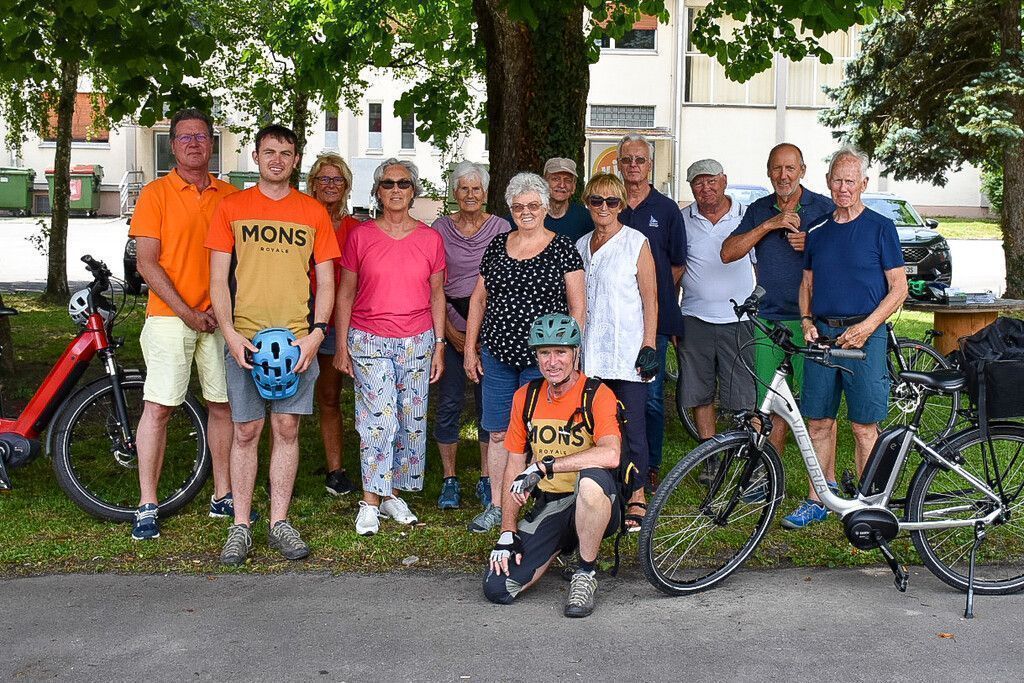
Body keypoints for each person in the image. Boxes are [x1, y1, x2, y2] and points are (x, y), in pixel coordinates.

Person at [207, 124, 340, 564]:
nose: (277, 160)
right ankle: (240, 525)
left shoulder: (313, 212)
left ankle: (279, 521)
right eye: (269, 152)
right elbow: (218, 280)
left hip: (296, 342)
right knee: (246, 430)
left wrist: (316, 333)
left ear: (296, 159)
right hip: (246, 339)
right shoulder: (231, 208)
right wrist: (229, 333)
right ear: (256, 156)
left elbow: (325, 281)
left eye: (285, 153)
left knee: (287, 429)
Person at [128, 108, 238, 541]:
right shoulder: (155, 193)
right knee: (159, 407)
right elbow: (147, 263)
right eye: (185, 137)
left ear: (212, 144)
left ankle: (223, 494)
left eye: (202, 136)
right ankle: (147, 503)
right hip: (170, 317)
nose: (194, 143)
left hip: (220, 319)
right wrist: (189, 312)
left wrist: (221, 312)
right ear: (172, 145)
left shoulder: (230, 196)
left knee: (222, 405)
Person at [788, 146, 908, 529]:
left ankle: (867, 504)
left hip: (865, 336)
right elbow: (806, 283)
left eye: (850, 181)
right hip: (822, 335)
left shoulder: (880, 227)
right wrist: (806, 320)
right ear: (828, 182)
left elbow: (898, 288)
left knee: (863, 427)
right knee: (818, 422)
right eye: (837, 180)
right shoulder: (819, 230)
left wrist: (868, 327)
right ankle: (818, 498)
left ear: (864, 184)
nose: (843, 188)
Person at [464, 172, 586, 533]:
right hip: (498, 354)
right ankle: (498, 505)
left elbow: (578, 306)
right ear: (510, 209)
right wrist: (471, 348)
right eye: (518, 206)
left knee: (539, 433)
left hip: (545, 360)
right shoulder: (498, 245)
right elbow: (478, 299)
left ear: (546, 207)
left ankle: (534, 504)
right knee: (500, 433)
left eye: (533, 205)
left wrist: (570, 355)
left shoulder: (563, 248)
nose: (526, 212)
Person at [334, 158, 446, 536]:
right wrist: (342, 345)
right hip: (369, 338)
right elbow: (345, 291)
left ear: (413, 191)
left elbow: (437, 295)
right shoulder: (361, 236)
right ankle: (369, 501)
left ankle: (392, 495)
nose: (395, 190)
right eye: (387, 184)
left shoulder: (430, 238)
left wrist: (441, 345)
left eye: (402, 183)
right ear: (377, 192)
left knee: (410, 422)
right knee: (378, 421)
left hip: (418, 340)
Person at [482, 314, 621, 618]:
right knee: (498, 587)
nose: (552, 361)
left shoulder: (596, 394)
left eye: (561, 352)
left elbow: (611, 455)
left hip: (598, 501)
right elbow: (514, 465)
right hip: (552, 504)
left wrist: (546, 466)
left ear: (576, 354)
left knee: (590, 481)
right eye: (545, 352)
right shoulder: (526, 396)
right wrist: (507, 531)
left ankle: (585, 573)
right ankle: (564, 542)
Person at [720, 143, 835, 460]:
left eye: (790, 168)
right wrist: (770, 225)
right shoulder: (759, 209)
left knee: (818, 409)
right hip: (769, 321)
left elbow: (846, 260)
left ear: (802, 170)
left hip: (811, 321)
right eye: (776, 168)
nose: (783, 175)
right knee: (768, 404)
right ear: (769, 171)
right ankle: (768, 478)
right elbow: (728, 253)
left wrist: (813, 245)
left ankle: (823, 485)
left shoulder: (824, 208)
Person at [575, 173, 658, 530]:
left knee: (632, 423)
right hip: (591, 351)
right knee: (596, 423)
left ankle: (637, 493)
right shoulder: (580, 246)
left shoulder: (636, 242)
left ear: (622, 204)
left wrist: (650, 342)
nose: (604, 208)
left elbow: (650, 299)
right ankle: (604, 488)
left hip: (626, 351)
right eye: (597, 201)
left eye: (612, 201)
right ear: (587, 203)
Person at [431, 161, 511, 511]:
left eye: (476, 188)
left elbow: (504, 283)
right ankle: (449, 479)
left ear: (485, 192)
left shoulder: (501, 227)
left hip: (490, 327)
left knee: (488, 406)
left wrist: (477, 338)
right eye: (463, 188)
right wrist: (452, 335)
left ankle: (485, 477)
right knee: (448, 402)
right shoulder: (439, 228)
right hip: (447, 323)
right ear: (454, 192)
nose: (470, 194)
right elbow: (433, 284)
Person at [616, 134, 686, 492]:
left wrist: (650, 297)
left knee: (653, 397)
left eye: (640, 160)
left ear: (650, 165)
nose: (633, 166)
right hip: (614, 319)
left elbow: (677, 264)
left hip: (654, 321)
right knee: (614, 393)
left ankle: (651, 465)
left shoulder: (666, 209)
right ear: (618, 164)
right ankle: (619, 460)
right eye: (627, 159)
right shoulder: (608, 203)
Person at [678, 159, 756, 472]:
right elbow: (676, 267)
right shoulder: (682, 219)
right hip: (694, 317)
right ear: (691, 187)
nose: (705, 188)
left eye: (711, 181)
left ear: (724, 180)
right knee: (700, 392)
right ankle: (710, 459)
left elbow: (759, 263)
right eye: (698, 182)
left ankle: (744, 459)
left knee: (742, 395)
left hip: (738, 321)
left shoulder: (746, 217)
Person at [306, 153, 360, 497]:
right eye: (323, 179)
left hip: (348, 316)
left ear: (346, 186)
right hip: (303, 312)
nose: (329, 185)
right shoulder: (302, 220)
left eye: (336, 180)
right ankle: (285, 462)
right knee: (291, 395)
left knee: (331, 393)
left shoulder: (357, 228)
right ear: (313, 184)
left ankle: (336, 470)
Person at [542, 157, 594, 242]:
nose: (562, 185)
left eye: (568, 180)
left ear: (574, 187)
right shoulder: (532, 216)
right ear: (544, 182)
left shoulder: (586, 218)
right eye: (556, 179)